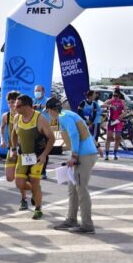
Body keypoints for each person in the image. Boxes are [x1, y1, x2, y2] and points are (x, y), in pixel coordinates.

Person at [48, 98, 99, 234]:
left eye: (48, 112)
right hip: (85, 153)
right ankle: (71, 219)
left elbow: (74, 134)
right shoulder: (69, 114)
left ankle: (87, 225)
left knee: (81, 191)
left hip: (83, 156)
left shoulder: (63, 117)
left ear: (51, 110)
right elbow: (84, 131)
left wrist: (74, 155)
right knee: (73, 190)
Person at [9, 94, 54, 220]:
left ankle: (38, 209)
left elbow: (52, 138)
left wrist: (45, 155)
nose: (15, 108)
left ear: (27, 106)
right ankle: (35, 192)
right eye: (15, 106)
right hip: (23, 156)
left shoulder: (39, 118)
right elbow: (13, 134)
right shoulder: (17, 118)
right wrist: (13, 149)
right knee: (19, 184)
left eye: (18, 106)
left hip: (38, 157)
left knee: (35, 182)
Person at [0, 91, 27, 207]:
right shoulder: (6, 116)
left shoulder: (23, 116)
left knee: (19, 178)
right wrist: (2, 140)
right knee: (10, 177)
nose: (11, 104)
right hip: (11, 148)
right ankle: (32, 188)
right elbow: (2, 128)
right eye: (9, 102)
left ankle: (24, 199)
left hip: (24, 150)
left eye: (13, 102)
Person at [77, 90, 103, 158]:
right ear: (90, 96)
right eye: (94, 94)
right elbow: (79, 113)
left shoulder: (94, 104)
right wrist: (86, 120)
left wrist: (91, 122)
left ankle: (92, 149)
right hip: (82, 121)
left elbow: (94, 114)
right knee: (82, 136)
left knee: (91, 136)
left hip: (89, 122)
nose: (95, 96)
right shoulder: (83, 102)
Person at [103, 90, 126, 160]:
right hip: (111, 121)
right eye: (113, 95)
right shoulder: (110, 101)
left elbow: (125, 111)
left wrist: (123, 114)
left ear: (119, 96)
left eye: (116, 96)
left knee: (117, 138)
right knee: (109, 138)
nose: (115, 97)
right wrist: (110, 106)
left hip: (118, 121)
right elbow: (102, 105)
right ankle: (106, 154)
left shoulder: (122, 101)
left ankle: (115, 154)